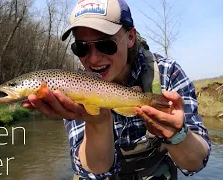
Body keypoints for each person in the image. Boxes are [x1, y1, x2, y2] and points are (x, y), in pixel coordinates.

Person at [21, 0, 211, 179]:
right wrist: (98, 123)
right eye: (81, 47)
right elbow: (95, 171)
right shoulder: (72, 85)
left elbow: (196, 162)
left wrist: (178, 135)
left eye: (105, 45)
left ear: (130, 37)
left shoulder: (167, 73)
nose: (93, 59)